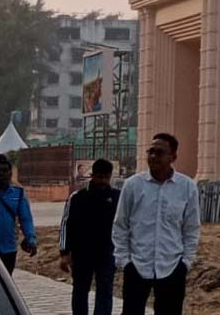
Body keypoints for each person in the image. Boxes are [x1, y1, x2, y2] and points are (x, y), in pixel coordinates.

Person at [113, 133, 200, 315]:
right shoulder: (133, 185)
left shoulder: (187, 187)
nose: (153, 156)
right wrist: (124, 261)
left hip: (172, 266)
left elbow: (191, 228)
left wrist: (185, 262)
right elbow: (120, 225)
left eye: (159, 152)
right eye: (150, 151)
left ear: (173, 157)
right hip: (137, 265)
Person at [58, 158, 120, 315]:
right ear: (92, 176)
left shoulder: (117, 198)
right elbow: (66, 224)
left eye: (106, 177)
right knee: (80, 290)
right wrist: (64, 253)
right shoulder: (78, 197)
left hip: (107, 253)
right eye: (99, 177)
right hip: (82, 253)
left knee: (105, 292)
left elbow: (125, 226)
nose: (103, 181)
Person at [0, 154, 37, 274]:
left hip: (8, 250)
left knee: (5, 286)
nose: (1, 174)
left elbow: (26, 219)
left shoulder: (18, 194)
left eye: (5, 171)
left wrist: (30, 238)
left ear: (10, 173)